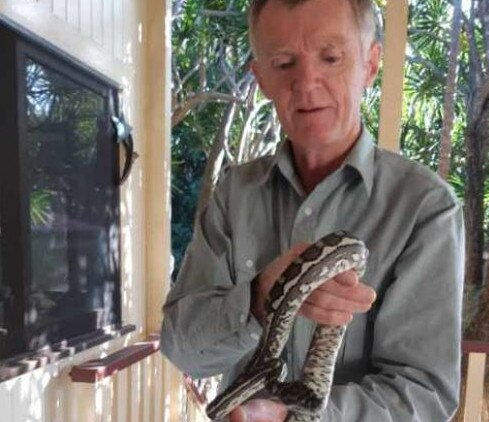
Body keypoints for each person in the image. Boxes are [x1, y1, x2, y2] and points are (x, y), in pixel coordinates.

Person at [161, 0, 465, 420]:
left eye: (331, 57)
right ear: (261, 78)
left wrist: (295, 416)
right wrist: (258, 298)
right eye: (284, 63)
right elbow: (182, 348)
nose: (306, 83)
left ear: (371, 64)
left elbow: (423, 395)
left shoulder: (424, 209)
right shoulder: (236, 194)